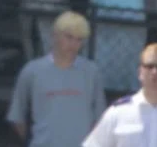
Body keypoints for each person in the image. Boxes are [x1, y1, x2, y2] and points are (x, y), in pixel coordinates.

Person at [7, 11, 106, 147]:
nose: (73, 44)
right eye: (69, 37)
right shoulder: (31, 71)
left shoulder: (92, 72)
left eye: (79, 39)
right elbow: (17, 116)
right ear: (54, 35)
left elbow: (100, 118)